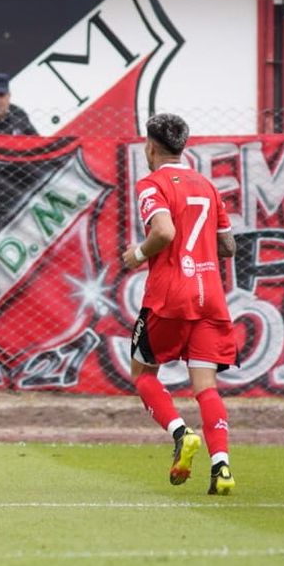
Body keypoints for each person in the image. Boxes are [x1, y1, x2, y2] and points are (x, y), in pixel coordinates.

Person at [121, 113, 238, 495]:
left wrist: (138, 254)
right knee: (206, 388)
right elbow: (229, 247)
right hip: (210, 296)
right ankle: (221, 467)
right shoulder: (207, 185)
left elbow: (165, 231)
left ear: (150, 147)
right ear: (183, 146)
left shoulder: (151, 184)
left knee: (143, 373)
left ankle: (181, 432)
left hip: (170, 295)